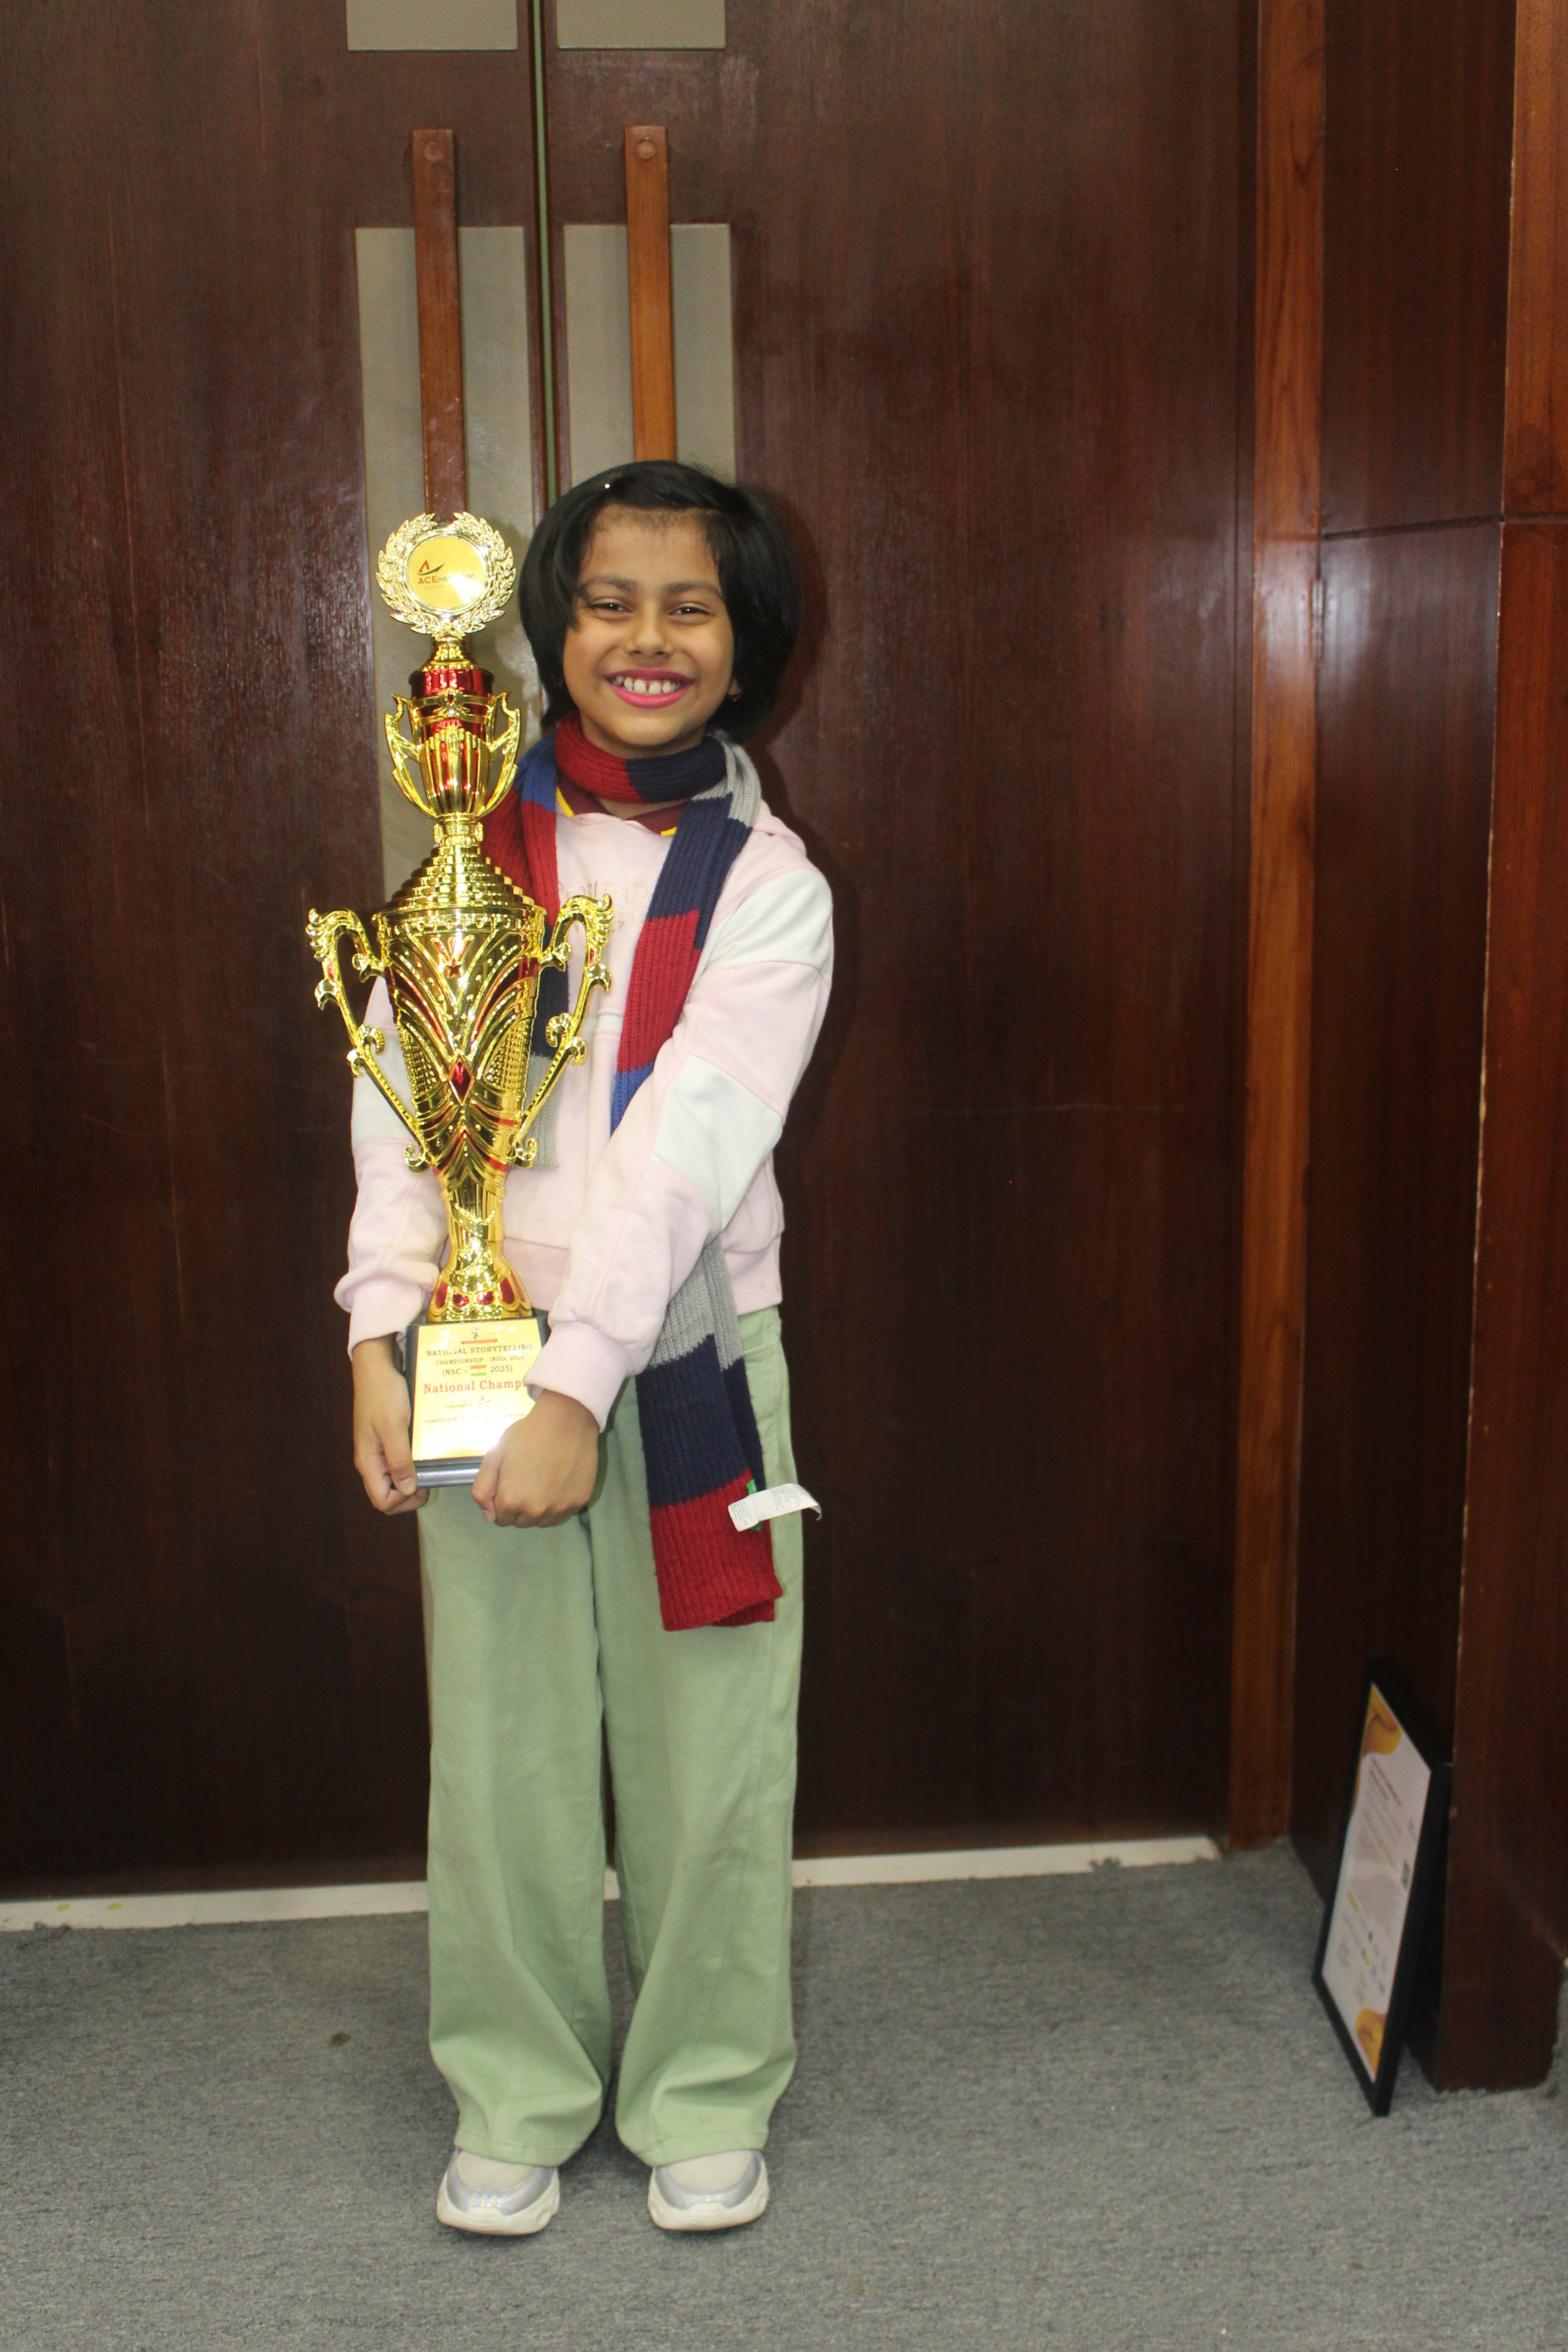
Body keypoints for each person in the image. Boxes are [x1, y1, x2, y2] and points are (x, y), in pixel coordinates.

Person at [337, 461, 833, 2238]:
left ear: (745, 643)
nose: (646, 638)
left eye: (690, 605)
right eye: (609, 600)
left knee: (715, 1744)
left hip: (689, 1354)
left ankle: (704, 2087)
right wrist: (378, 1327)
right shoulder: (468, 855)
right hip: (481, 1341)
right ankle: (517, 2088)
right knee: (503, 1745)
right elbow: (400, 1106)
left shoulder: (769, 886)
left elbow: (687, 1150)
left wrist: (579, 1386)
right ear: (553, 627)